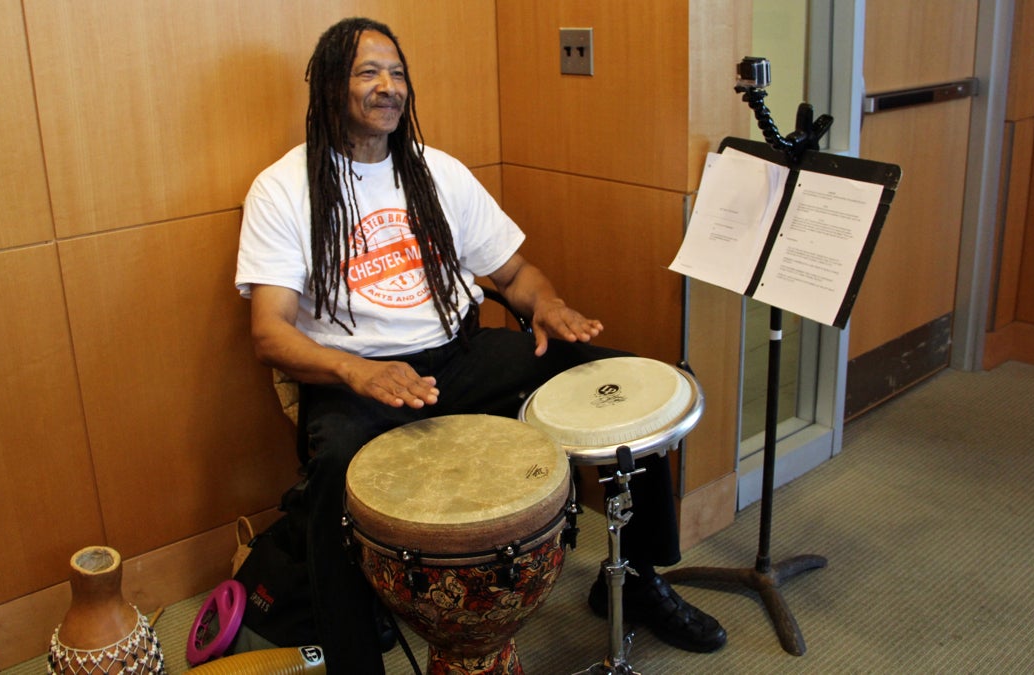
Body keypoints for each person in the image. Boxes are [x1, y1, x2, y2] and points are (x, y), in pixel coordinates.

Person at [235, 17, 727, 672]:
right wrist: (357, 372)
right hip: (358, 380)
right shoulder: (282, 189)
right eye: (368, 72)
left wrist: (546, 304)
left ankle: (639, 581)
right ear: (328, 87)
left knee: (623, 384)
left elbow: (515, 273)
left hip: (460, 358)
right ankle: (356, 662)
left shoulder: (436, 172)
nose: (389, 87)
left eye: (398, 72)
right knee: (333, 481)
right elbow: (270, 330)